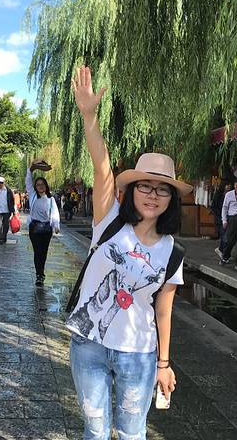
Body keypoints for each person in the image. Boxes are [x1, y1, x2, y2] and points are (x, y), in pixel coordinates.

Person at [67, 66, 189, 439]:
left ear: (171, 200)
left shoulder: (172, 251)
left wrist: (164, 364)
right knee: (96, 430)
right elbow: (102, 168)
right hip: (89, 343)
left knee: (132, 433)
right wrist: (89, 116)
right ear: (132, 191)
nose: (153, 195)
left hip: (138, 352)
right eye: (145, 186)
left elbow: (163, 312)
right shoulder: (109, 221)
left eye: (162, 189)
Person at [26, 160, 61, 286]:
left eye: (42, 184)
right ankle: (39, 275)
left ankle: (41, 273)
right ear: (35, 187)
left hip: (46, 229)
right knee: (37, 252)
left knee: (44, 252)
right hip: (35, 228)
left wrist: (56, 225)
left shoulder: (51, 199)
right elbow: (28, 181)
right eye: (38, 184)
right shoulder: (33, 195)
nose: (40, 186)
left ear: (46, 186)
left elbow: (55, 213)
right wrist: (31, 169)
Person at [212, 181, 232, 258]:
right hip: (220, 219)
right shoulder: (218, 195)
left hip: (229, 218)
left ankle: (222, 250)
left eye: (230, 185)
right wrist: (220, 214)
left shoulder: (231, 195)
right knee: (224, 237)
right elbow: (213, 207)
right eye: (227, 185)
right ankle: (223, 252)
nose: (229, 187)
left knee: (227, 237)